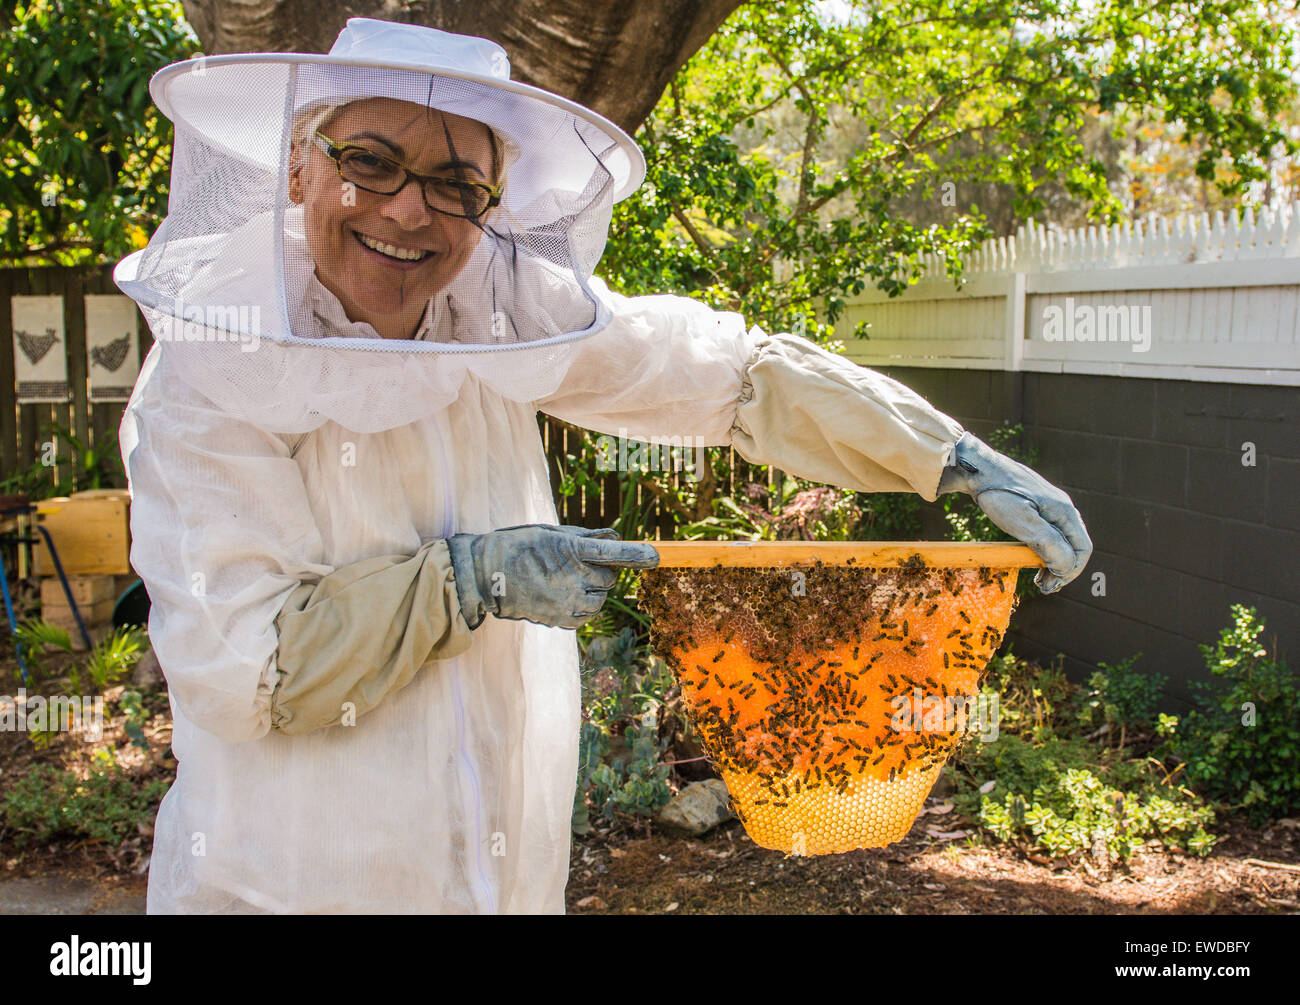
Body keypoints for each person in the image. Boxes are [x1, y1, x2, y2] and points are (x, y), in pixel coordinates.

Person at [116, 18, 1091, 914]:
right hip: (282, 892)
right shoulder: (207, 382)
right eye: (369, 163)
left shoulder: (494, 323)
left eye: (457, 185)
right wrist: (466, 579)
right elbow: (246, 676)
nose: (411, 210)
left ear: (491, 206)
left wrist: (945, 456)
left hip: (502, 879)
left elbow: (724, 377)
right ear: (297, 168)